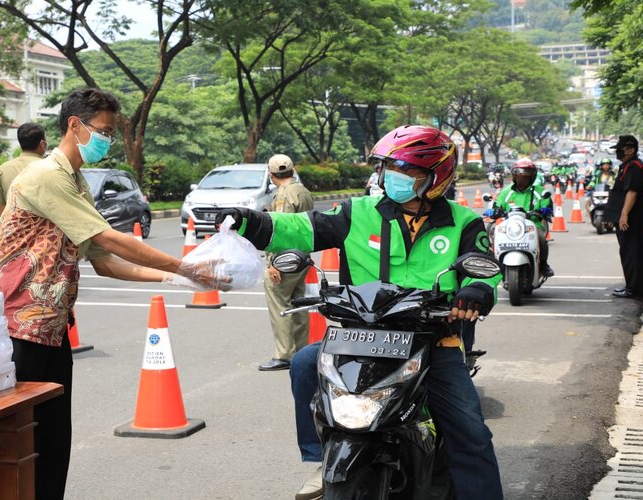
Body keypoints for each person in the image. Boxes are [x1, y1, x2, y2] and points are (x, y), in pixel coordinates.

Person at [216, 125, 503, 500]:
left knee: (471, 431)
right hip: (361, 335)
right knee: (304, 364)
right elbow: (301, 229)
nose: (393, 177)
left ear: (437, 177)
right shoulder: (357, 213)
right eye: (389, 168)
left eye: (407, 170)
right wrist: (249, 221)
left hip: (431, 338)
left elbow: (484, 269)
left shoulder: (463, 222)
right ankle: (324, 455)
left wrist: (476, 292)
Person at [0, 88, 225, 499]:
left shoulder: (75, 181)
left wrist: (174, 280)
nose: (107, 141)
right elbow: (110, 240)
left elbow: (101, 259)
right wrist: (182, 265)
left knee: (54, 441)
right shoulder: (46, 177)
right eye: (104, 131)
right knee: (24, 446)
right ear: (74, 126)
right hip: (17, 329)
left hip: (50, 329)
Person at [259, 154, 315, 371]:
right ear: (293, 170)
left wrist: (273, 263)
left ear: (271, 175)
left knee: (279, 304)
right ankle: (301, 351)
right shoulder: (303, 191)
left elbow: (281, 229)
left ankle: (284, 355)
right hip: (303, 255)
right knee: (298, 305)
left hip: (286, 259)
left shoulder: (283, 195)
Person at [489, 159, 554, 278]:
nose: (522, 179)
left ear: (532, 177)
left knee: (542, 239)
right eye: (519, 176)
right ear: (514, 176)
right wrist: (494, 211)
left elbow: (548, 206)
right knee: (493, 234)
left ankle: (544, 264)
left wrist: (544, 210)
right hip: (510, 226)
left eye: (526, 177)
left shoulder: (540, 192)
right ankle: (494, 263)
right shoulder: (506, 192)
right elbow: (497, 204)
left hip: (533, 225)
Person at [605, 135, 643, 298]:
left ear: (631, 150)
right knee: (628, 252)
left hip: (633, 219)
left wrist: (624, 215)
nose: (618, 153)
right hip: (628, 218)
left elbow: (632, 192)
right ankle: (631, 286)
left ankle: (634, 289)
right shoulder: (626, 166)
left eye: (621, 150)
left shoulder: (634, 167)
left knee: (631, 253)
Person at [0, 122, 47, 216]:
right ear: (43, 144)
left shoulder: (3, 169)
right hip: (45, 229)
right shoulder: (50, 168)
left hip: (14, 228)